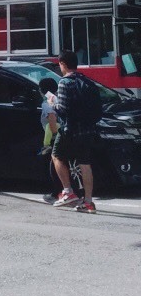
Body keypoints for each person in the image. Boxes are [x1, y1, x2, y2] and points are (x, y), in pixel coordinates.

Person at [52, 51, 98, 212]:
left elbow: (63, 110)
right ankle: (88, 201)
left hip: (69, 130)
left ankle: (68, 192)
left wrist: (53, 104)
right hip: (86, 129)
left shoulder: (65, 82)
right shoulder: (84, 80)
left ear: (63, 64)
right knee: (85, 164)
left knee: (56, 155)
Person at [38, 76, 60, 204]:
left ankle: (55, 193)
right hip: (64, 132)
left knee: (54, 166)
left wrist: (53, 139)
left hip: (54, 137)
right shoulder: (57, 98)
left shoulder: (47, 102)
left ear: (42, 90)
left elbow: (51, 120)